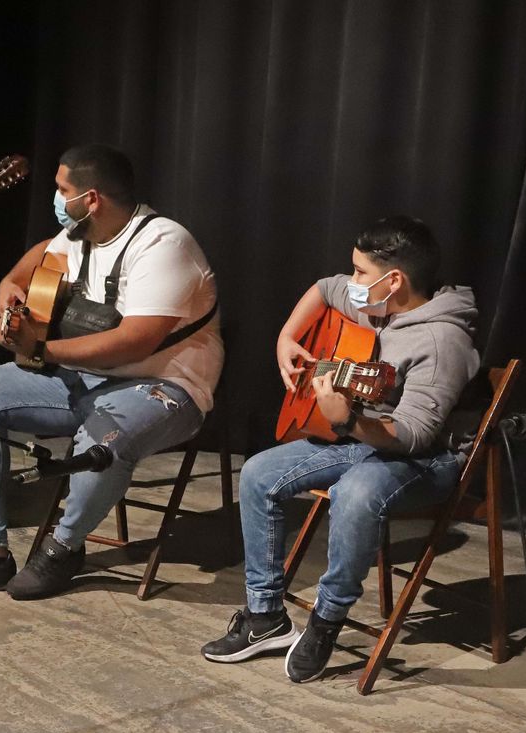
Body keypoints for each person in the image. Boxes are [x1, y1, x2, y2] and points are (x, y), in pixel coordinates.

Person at [0, 144, 222, 601]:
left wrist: (41, 347)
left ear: (91, 198)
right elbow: (21, 273)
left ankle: (63, 547)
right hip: (83, 379)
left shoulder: (164, 245)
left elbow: (136, 341)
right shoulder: (76, 236)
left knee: (105, 432)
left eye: (62, 190)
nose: (56, 199)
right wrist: (11, 304)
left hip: (164, 387)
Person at [200, 216, 481, 684]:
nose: (352, 283)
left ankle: (327, 619)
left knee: (356, 491)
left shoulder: (441, 339)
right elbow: (326, 288)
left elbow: (414, 434)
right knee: (258, 473)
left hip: (428, 460)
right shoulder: (382, 304)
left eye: (360, 273)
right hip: (367, 438)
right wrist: (286, 338)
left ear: (395, 281)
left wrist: (347, 419)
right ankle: (265, 615)